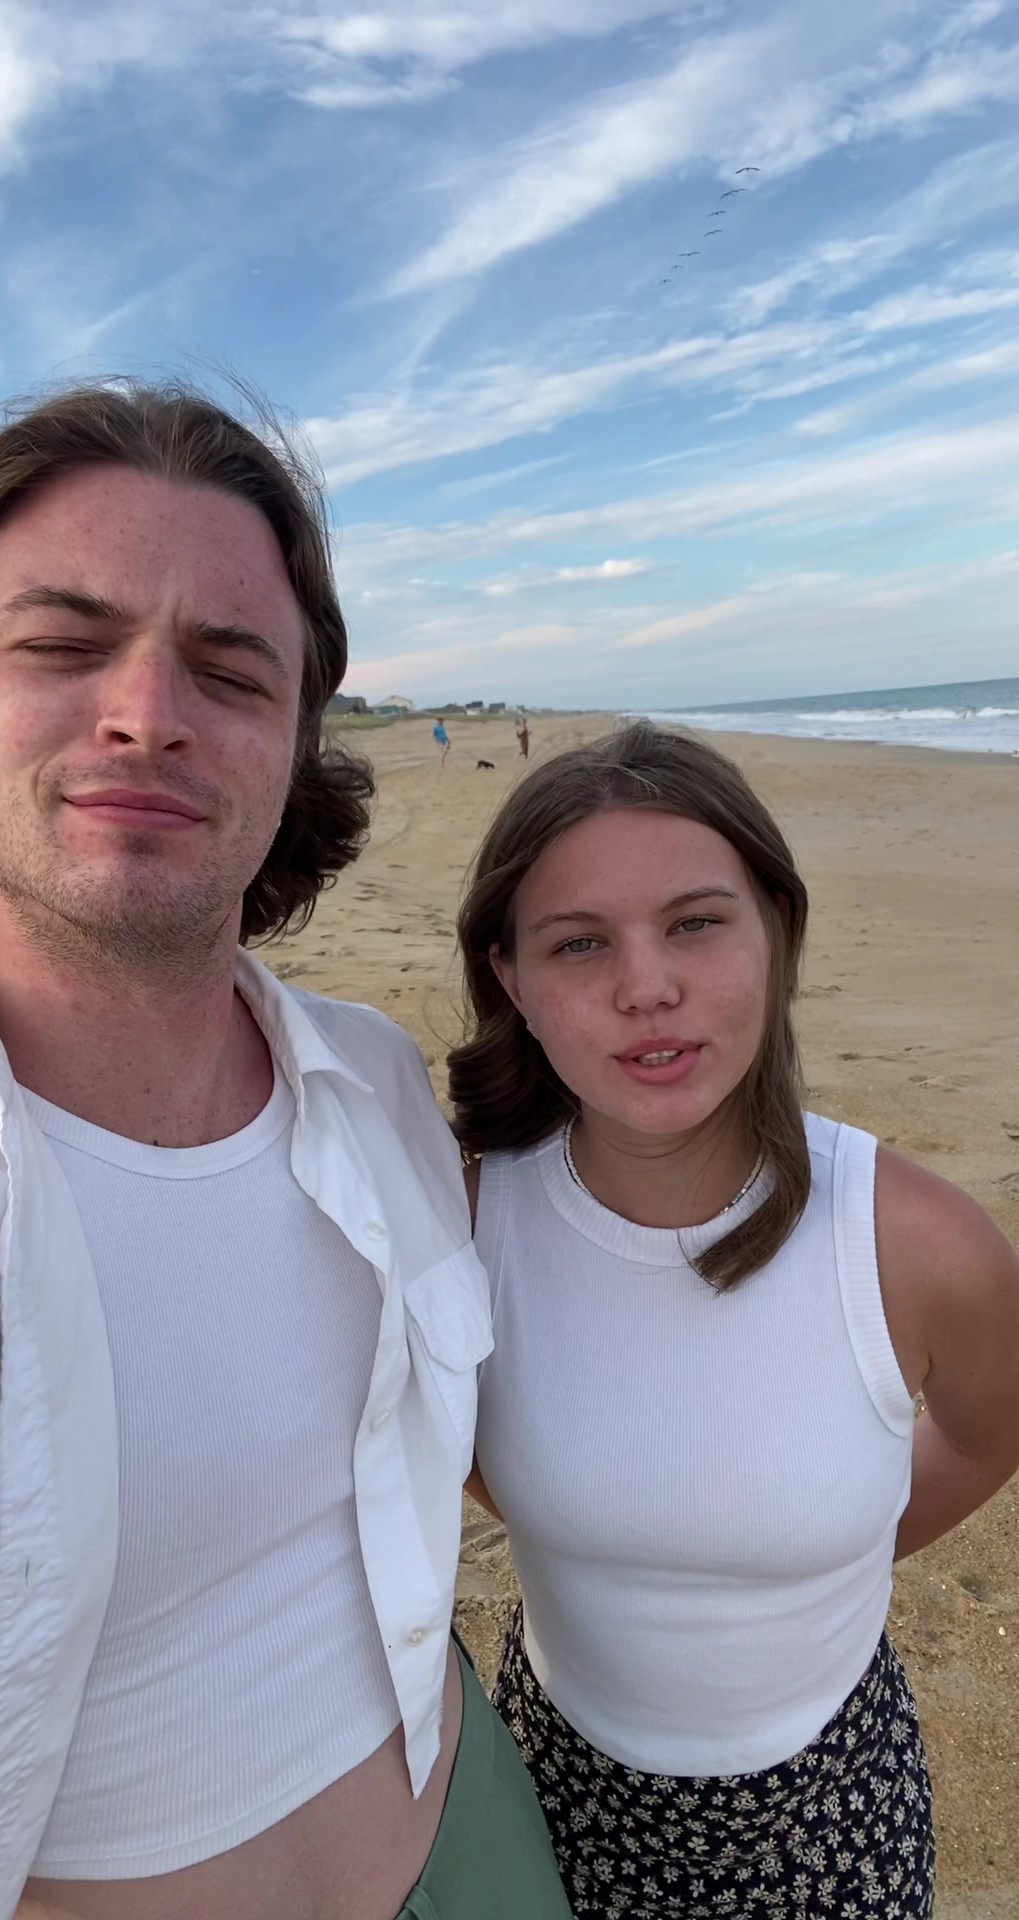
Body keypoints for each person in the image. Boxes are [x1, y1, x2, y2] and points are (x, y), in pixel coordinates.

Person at [0, 380, 571, 1920]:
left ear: (294, 749)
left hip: (473, 1831)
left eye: (230, 669)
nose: (147, 710)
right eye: (63, 645)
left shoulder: (375, 1079)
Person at [448, 722, 1019, 1920]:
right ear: (510, 978)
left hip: (831, 1803)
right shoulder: (462, 1220)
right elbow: (457, 1447)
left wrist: (823, 1552)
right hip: (556, 1783)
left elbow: (983, 1436)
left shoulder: (920, 1245)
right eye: (579, 942)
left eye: (696, 923)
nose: (646, 987)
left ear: (778, 930)